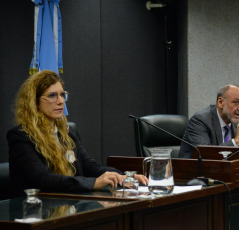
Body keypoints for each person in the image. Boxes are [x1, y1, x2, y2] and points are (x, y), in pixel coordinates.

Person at [7, 70, 148, 197]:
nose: (61, 101)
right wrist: (93, 183)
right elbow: (42, 179)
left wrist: (123, 177)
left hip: (67, 202)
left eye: (62, 95)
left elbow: (90, 166)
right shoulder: (20, 137)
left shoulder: (66, 132)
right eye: (52, 96)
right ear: (34, 102)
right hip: (35, 208)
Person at [178, 84, 239, 158]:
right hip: (195, 174)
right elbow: (205, 155)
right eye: (236, 102)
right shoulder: (200, 120)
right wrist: (236, 140)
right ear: (221, 102)